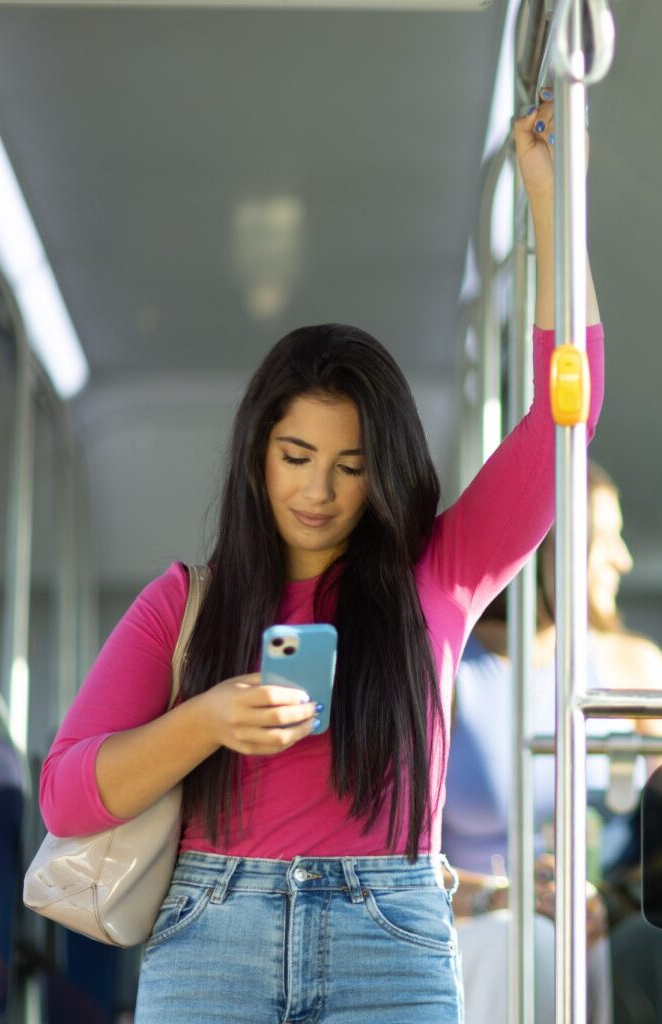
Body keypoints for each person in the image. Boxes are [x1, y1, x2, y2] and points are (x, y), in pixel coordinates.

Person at [38, 97, 604, 1024]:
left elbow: (565, 422)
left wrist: (556, 201)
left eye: (352, 466)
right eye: (296, 458)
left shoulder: (440, 574)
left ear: (386, 473)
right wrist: (210, 720)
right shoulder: (186, 603)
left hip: (392, 935)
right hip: (209, 934)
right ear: (256, 453)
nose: (320, 491)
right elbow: (66, 793)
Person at [442, 462, 662, 1024]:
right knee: (532, 946)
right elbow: (394, 863)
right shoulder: (447, 671)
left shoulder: (634, 669)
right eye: (600, 539)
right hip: (485, 939)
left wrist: (613, 901)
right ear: (542, 549)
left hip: (608, 930)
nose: (623, 560)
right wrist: (501, 897)